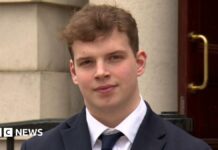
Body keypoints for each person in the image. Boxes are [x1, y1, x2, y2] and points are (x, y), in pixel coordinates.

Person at [21, 4, 211, 150]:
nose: (101, 72)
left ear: (140, 63)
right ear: (73, 72)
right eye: (87, 62)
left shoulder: (188, 148)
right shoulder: (40, 148)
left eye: (114, 58)